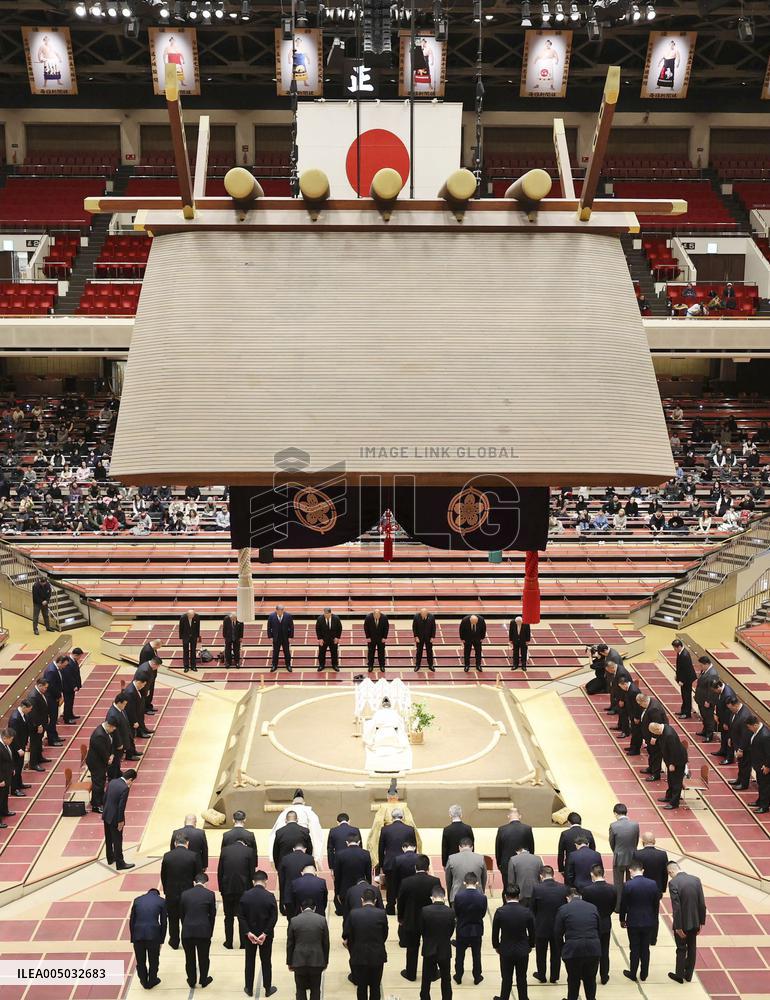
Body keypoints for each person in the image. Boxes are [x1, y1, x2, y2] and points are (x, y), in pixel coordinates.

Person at [397, 855, 441, 981]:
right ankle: (431, 973)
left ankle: (411, 973)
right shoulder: (435, 881)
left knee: (412, 948)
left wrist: (401, 918)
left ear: (415, 867)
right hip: (430, 920)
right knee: (430, 947)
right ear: (428, 867)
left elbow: (401, 901)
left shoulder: (406, 882)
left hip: (411, 919)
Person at [554, 887, 601, 1000]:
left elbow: (557, 933)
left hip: (573, 950)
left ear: (567, 898)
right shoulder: (592, 907)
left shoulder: (563, 909)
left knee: (573, 980)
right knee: (590, 980)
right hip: (593, 948)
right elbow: (599, 929)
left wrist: (562, 950)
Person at [342, 886, 389, 1000]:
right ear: (376, 900)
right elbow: (385, 934)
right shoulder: (381, 913)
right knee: (375, 987)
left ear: (362, 900)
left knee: (361, 988)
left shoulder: (354, 914)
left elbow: (347, 934)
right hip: (377, 955)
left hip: (359, 955)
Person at [239, 870, 278, 998]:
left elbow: (241, 916)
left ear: (253, 881)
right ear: (266, 881)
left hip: (249, 935)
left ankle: (248, 988)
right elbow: (274, 918)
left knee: (249, 961)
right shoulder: (270, 896)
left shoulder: (245, 895)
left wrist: (248, 932)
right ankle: (267, 988)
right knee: (266, 961)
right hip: (265, 936)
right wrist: (265, 933)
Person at [491, 884, 534, 1000]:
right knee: (522, 977)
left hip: (506, 949)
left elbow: (495, 932)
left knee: (506, 978)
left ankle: (504, 997)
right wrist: (530, 945)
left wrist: (496, 946)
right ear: (518, 896)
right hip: (522, 950)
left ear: (505, 896)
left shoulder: (500, 912)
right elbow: (532, 931)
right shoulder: (526, 911)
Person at [619, 860, 660, 982]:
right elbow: (656, 905)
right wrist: (654, 919)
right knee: (645, 948)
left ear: (631, 870)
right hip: (649, 920)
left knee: (635, 948)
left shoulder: (628, 885)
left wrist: (622, 919)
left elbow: (623, 905)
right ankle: (644, 973)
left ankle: (633, 972)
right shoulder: (653, 884)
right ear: (642, 870)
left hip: (633, 921)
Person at [667, 861, 706, 984]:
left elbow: (676, 908)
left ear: (671, 871)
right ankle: (688, 975)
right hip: (695, 921)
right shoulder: (696, 880)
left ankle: (679, 975)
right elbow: (702, 903)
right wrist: (701, 922)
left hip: (682, 923)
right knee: (692, 948)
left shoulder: (673, 883)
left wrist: (678, 926)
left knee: (681, 948)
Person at [530, 865, 568, 985]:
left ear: (541, 876)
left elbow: (532, 909)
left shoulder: (537, 888)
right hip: (558, 926)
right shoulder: (563, 888)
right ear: (553, 874)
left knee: (541, 953)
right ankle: (554, 976)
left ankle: (541, 975)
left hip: (541, 925)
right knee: (556, 953)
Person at [286, 898, 330, 1000]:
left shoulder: (294, 920)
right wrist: (325, 961)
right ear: (315, 908)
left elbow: (290, 944)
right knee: (315, 989)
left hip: (298, 961)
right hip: (317, 960)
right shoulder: (322, 920)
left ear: (301, 908)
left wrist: (289, 962)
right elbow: (326, 943)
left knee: (300, 989)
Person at [161, 835, 200, 949]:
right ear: (187, 843)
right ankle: (187, 940)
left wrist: (166, 890)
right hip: (187, 892)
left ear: (175, 843)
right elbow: (197, 876)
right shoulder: (193, 856)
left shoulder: (167, 856)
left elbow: (163, 875)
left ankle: (174, 941)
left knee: (172, 918)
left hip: (171, 892)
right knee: (187, 917)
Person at [218, 836, 257, 948]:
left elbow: (220, 871)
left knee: (228, 917)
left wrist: (221, 888)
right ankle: (243, 943)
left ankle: (229, 942)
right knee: (243, 917)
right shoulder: (249, 851)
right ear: (244, 843)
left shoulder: (224, 850)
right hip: (244, 889)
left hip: (227, 888)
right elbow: (251, 873)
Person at [180, 872, 216, 989]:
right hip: (203, 931)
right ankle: (203, 980)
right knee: (204, 957)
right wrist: (210, 931)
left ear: (194, 882)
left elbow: (182, 914)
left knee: (189, 958)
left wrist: (185, 925)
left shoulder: (185, 894)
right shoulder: (210, 895)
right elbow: (212, 915)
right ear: (206, 883)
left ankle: (191, 980)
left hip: (187, 931)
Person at [581, 865, 616, 986]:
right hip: (606, 922)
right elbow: (613, 906)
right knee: (604, 950)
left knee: (591, 951)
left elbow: (585, 908)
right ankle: (604, 975)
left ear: (592, 874)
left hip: (591, 924)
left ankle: (590, 975)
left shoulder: (587, 890)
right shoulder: (612, 889)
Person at [419, 885, 455, 1000]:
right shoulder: (450, 912)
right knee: (446, 979)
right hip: (444, 949)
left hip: (429, 948)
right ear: (444, 897)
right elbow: (451, 930)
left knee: (426, 980)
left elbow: (422, 930)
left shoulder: (425, 911)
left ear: (432, 897)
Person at [378, 807, 417, 913]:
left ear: (392, 817)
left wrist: (381, 865)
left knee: (391, 886)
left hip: (390, 862)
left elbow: (381, 848)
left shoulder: (385, 829)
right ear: (402, 817)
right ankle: (404, 907)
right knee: (406, 884)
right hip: (407, 862)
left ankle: (390, 907)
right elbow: (414, 847)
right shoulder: (409, 829)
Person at [130, 887, 167, 991]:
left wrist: (133, 937)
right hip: (153, 935)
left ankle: (143, 980)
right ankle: (152, 980)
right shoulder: (161, 901)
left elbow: (132, 920)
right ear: (157, 894)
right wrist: (161, 939)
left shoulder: (137, 900)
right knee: (153, 959)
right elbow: (164, 922)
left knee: (140, 960)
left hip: (138, 934)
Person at [453, 872, 487, 986]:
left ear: (464, 883)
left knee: (460, 955)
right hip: (477, 929)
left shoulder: (458, 897)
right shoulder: (482, 897)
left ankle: (458, 976)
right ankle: (477, 976)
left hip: (462, 928)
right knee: (476, 955)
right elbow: (482, 913)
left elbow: (456, 913)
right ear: (477, 883)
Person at [103, 768, 137, 871]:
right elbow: (121, 807)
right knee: (118, 840)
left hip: (107, 814)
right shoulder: (125, 788)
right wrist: (120, 821)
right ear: (130, 779)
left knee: (108, 838)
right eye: (132, 781)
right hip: (115, 817)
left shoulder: (113, 782)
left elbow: (105, 797)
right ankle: (120, 863)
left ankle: (110, 857)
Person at [609, 803, 639, 908]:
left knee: (618, 884)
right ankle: (630, 905)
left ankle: (618, 906)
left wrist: (617, 851)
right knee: (631, 883)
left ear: (615, 813)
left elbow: (612, 843)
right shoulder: (635, 825)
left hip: (618, 858)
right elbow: (636, 841)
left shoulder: (613, 826)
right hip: (632, 857)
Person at [652, 721, 689, 809]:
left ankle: (674, 803)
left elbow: (674, 751)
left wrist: (672, 764)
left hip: (677, 761)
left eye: (654, 733)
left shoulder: (669, 735)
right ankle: (669, 796)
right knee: (670, 779)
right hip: (671, 760)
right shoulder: (663, 729)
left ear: (657, 729)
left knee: (676, 781)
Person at [333, 834, 372, 914]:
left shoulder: (340, 854)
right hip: (361, 889)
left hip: (344, 889)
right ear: (359, 842)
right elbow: (368, 874)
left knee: (346, 914)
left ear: (347, 842)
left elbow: (337, 875)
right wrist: (369, 888)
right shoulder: (366, 854)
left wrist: (337, 892)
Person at [495, 807, 535, 882]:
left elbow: (498, 849)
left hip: (506, 864)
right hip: (524, 863)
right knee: (522, 885)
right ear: (520, 816)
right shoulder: (527, 829)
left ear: (508, 816)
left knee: (508, 888)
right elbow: (531, 847)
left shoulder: (502, 829)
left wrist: (499, 864)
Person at [85, 719, 115, 813]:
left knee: (101, 781)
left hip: (100, 761)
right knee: (98, 783)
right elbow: (101, 750)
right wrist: (108, 758)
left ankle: (100, 799)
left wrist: (111, 755)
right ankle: (96, 805)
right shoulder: (99, 735)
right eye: (113, 728)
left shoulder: (104, 731)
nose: (114, 730)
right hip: (96, 763)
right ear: (109, 726)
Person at [444, 837, 486, 903]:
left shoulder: (451, 858)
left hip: (457, 896)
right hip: (477, 896)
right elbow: (484, 878)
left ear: (459, 847)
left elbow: (448, 880)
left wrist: (450, 894)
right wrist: (482, 891)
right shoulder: (480, 858)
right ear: (472, 847)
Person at [557, 812, 595, 876]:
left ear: (569, 822)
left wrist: (561, 869)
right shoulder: (588, 833)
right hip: (586, 865)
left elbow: (561, 853)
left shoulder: (565, 834)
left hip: (570, 866)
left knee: (569, 885)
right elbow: (593, 849)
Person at [8, 699, 32, 795]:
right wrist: (18, 749)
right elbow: (13, 736)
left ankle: (19, 783)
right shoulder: (15, 718)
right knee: (16, 767)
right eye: (29, 709)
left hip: (22, 744)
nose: (30, 711)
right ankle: (14, 789)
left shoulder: (23, 715)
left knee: (20, 766)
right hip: (16, 748)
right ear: (23, 707)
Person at [508, 846, 543, 911]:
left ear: (517, 851)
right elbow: (541, 878)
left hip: (520, 895)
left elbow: (511, 881)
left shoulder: (513, 859)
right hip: (535, 893)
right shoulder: (538, 859)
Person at [747, 715, 770, 813]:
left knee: (765, 786)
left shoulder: (765, 735)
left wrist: (768, 766)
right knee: (761, 784)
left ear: (755, 725)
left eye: (750, 727)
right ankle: (760, 801)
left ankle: (764, 806)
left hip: (764, 766)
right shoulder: (758, 732)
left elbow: (769, 753)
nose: (749, 729)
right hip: (758, 764)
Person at [694, 656, 718, 741]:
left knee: (709, 718)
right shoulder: (705, 670)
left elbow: (712, 690)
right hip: (701, 698)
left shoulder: (713, 674)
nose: (700, 667)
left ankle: (709, 735)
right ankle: (705, 730)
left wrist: (708, 701)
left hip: (707, 701)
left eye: (701, 665)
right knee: (704, 716)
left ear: (707, 664)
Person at [672, 639, 696, 718]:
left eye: (675, 648)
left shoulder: (685, 655)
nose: (674, 650)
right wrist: (677, 676)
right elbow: (680, 667)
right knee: (684, 695)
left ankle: (687, 713)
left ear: (679, 646)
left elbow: (686, 670)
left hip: (687, 679)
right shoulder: (680, 652)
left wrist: (682, 680)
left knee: (687, 696)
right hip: (683, 677)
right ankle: (683, 710)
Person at [267, 604, 294, 672]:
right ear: (276, 610)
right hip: (276, 637)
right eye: (279, 611)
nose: (280, 612)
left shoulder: (288, 616)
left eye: (282, 610)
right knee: (275, 652)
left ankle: (288, 665)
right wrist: (270, 636)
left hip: (285, 637)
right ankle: (274, 665)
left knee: (287, 652)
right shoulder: (271, 616)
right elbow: (269, 627)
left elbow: (291, 627)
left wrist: (291, 636)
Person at [61, 646, 85, 723]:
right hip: (68, 687)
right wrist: (74, 686)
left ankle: (70, 714)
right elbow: (68, 676)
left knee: (71, 702)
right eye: (80, 656)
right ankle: (67, 719)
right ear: (75, 655)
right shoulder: (68, 662)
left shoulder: (73, 661)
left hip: (72, 686)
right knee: (68, 702)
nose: (80, 658)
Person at [315, 607, 342, 672]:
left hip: (333, 639)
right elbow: (317, 629)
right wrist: (320, 639)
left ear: (330, 613)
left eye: (327, 614)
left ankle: (335, 665)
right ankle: (321, 665)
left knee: (334, 652)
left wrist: (337, 637)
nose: (326, 615)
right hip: (323, 639)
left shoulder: (336, 618)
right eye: (325, 614)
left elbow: (339, 628)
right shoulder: (320, 619)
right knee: (321, 653)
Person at [364, 608, 389, 672]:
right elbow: (366, 628)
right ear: (373, 614)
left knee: (381, 652)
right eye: (376, 616)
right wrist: (368, 637)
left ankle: (382, 665)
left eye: (379, 616)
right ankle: (370, 665)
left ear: (380, 614)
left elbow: (386, 628)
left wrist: (384, 637)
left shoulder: (384, 617)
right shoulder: (368, 617)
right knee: (371, 652)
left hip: (381, 638)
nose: (377, 617)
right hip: (371, 638)